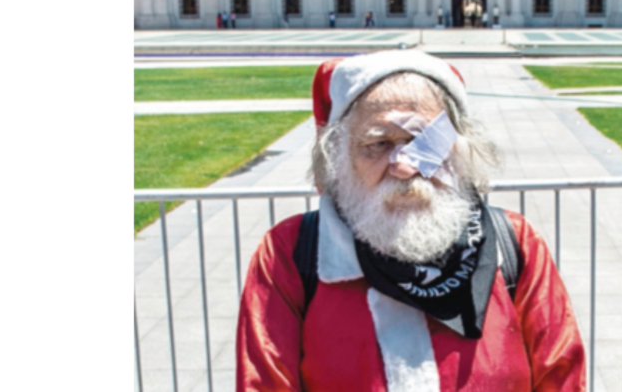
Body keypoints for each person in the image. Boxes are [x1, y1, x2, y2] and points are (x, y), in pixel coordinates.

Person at [237, 51, 587, 392]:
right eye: (378, 143)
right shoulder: (288, 252)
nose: (405, 166)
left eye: (426, 143)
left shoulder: (516, 243)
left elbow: (562, 378)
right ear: (339, 156)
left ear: (459, 149)